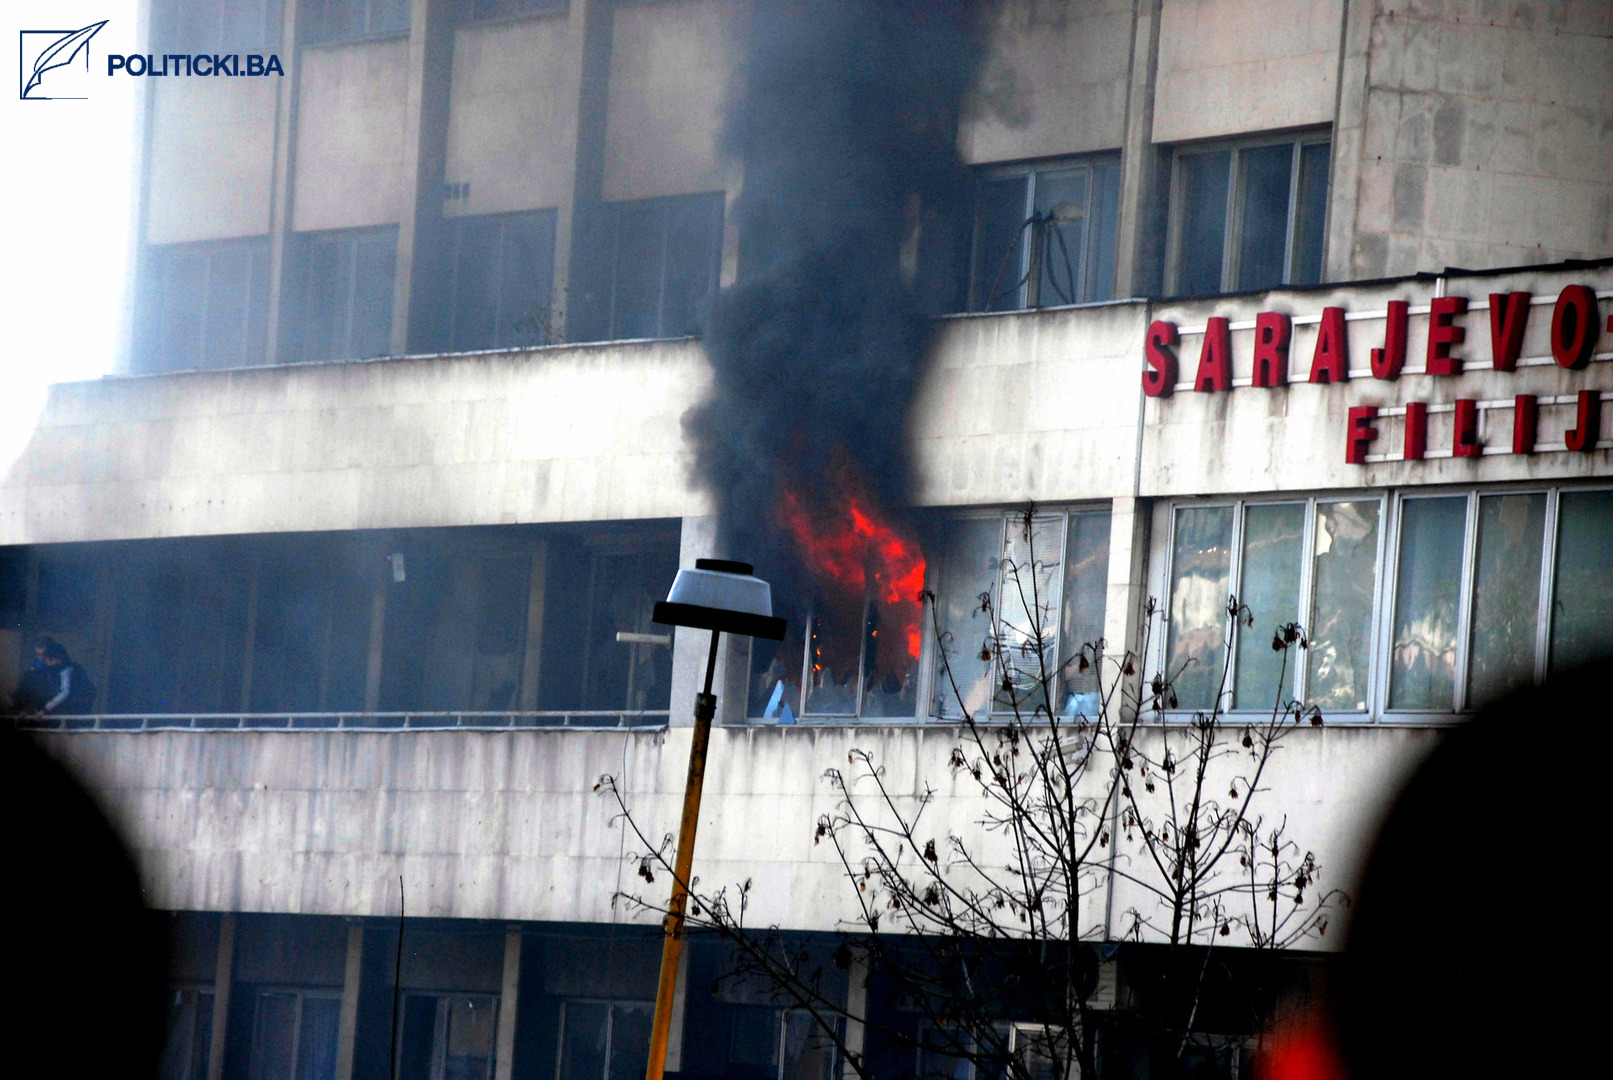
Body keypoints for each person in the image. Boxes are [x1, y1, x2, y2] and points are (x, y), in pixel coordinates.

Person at [34, 640, 96, 716]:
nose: (48, 664)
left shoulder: (67, 671)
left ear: (55, 659)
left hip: (73, 713)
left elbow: (64, 693)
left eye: (49, 660)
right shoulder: (67, 670)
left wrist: (46, 709)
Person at [9, 636, 59, 715]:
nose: (42, 658)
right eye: (39, 655)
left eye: (45, 654)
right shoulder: (34, 669)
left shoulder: (60, 669)